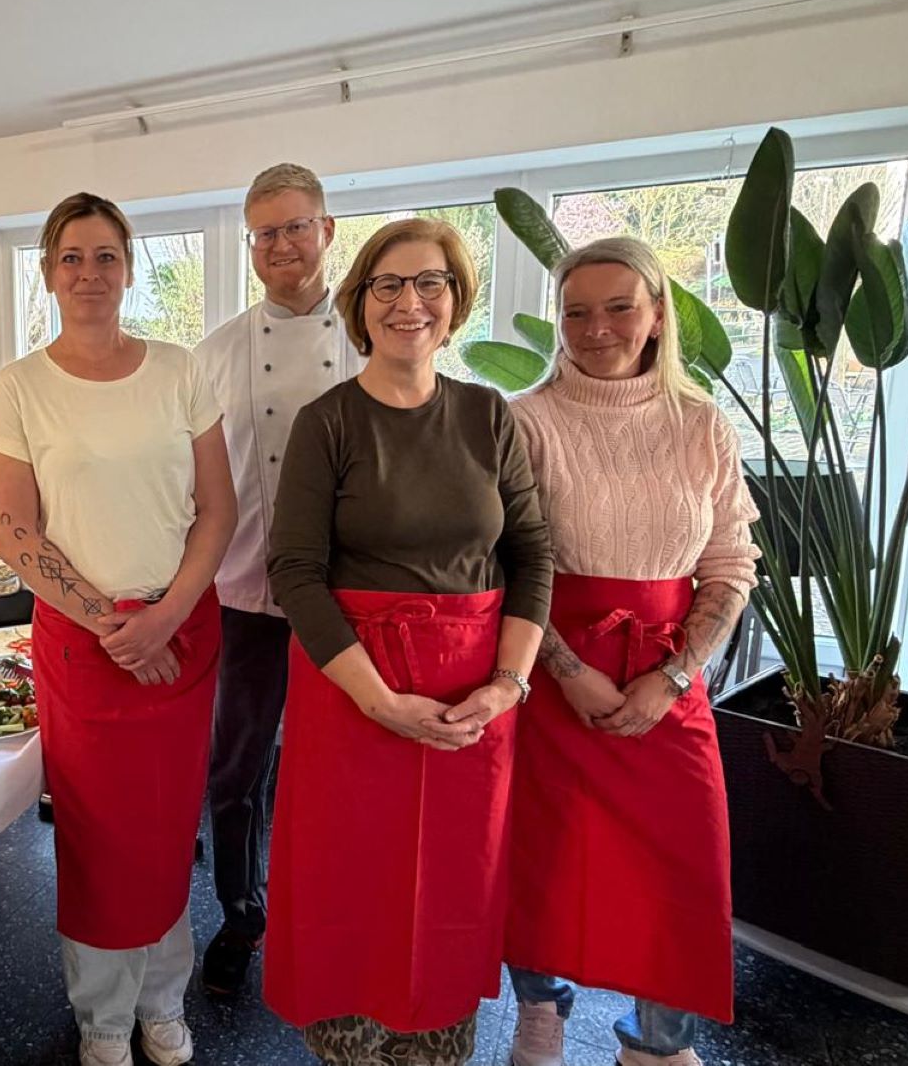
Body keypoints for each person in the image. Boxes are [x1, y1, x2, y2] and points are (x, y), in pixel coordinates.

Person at [265, 218, 554, 1066]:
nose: (409, 302)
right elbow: (294, 571)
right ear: (361, 303)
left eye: (430, 283)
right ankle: (349, 1046)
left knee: (452, 888)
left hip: (474, 703)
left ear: (455, 301)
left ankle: (438, 1045)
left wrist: (508, 686)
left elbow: (533, 551)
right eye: (388, 284)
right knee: (353, 890)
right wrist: (382, 701)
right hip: (355, 696)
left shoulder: (486, 415)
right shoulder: (329, 422)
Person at [0, 192, 237, 1066]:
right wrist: (110, 622)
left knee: (167, 829)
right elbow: (14, 528)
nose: (89, 273)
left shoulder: (179, 370)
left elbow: (218, 509)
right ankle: (100, 1018)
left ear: (129, 267)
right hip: (82, 646)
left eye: (106, 256)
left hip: (182, 632)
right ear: (48, 272)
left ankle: (164, 1002)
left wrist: (162, 616)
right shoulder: (20, 387)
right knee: (95, 834)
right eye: (71, 257)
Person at [504, 237, 758, 1066]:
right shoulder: (523, 420)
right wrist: (568, 672)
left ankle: (658, 1042)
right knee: (543, 857)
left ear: (656, 317)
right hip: (552, 671)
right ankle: (541, 1011)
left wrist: (675, 675)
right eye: (576, 311)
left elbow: (728, 563)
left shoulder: (702, 426)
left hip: (669, 674)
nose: (596, 327)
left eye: (618, 307)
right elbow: (501, 564)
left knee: (682, 869)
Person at [193, 162, 361, 996]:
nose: (283, 245)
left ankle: (333, 914)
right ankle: (240, 915)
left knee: (340, 769)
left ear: (328, 231)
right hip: (247, 594)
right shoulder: (217, 352)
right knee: (237, 769)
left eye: (298, 226)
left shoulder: (375, 339)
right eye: (266, 233)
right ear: (250, 246)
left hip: (351, 599)